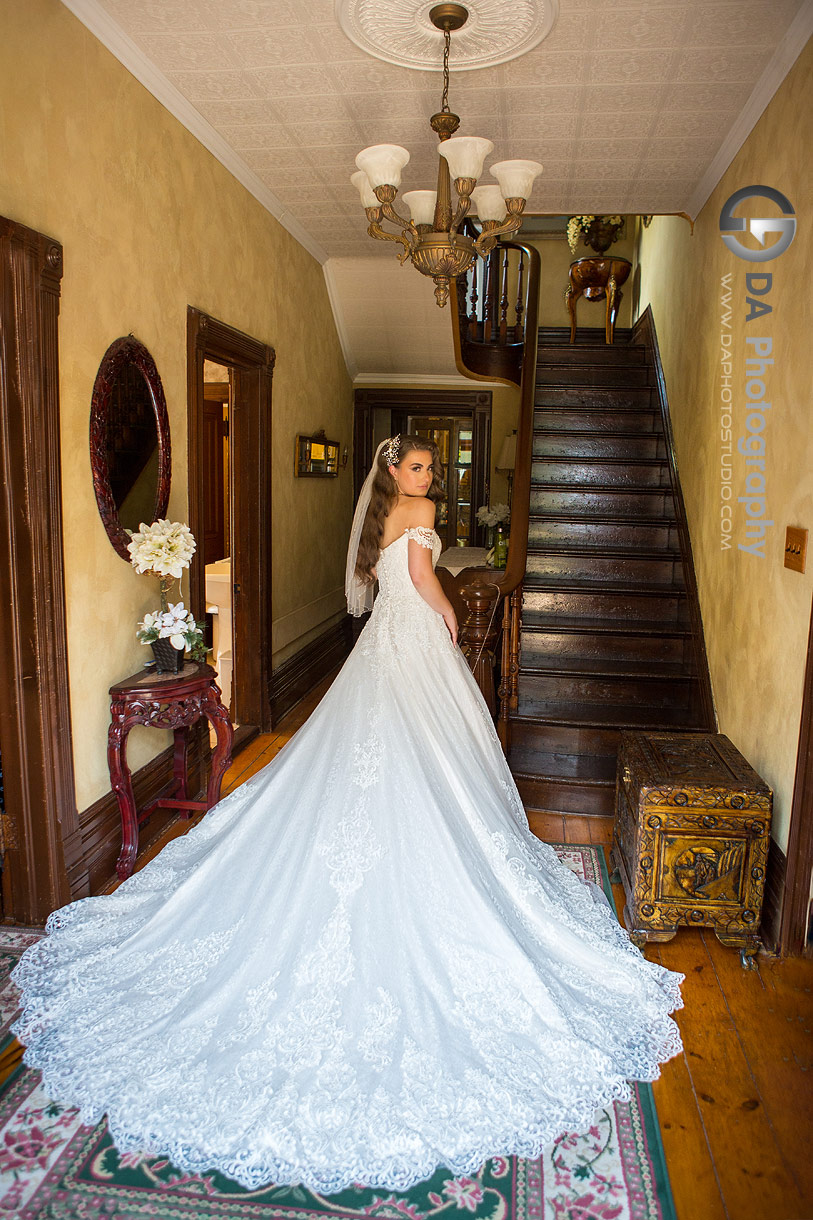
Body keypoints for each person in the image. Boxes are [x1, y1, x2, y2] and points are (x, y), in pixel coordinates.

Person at [12, 434, 684, 1196]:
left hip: (378, 649)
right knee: (430, 750)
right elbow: (426, 579)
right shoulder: (421, 510)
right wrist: (452, 621)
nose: (429, 478)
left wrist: (422, 600)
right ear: (397, 472)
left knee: (375, 749)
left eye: (430, 469)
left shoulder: (376, 517)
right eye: (420, 467)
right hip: (414, 643)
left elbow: (381, 577)